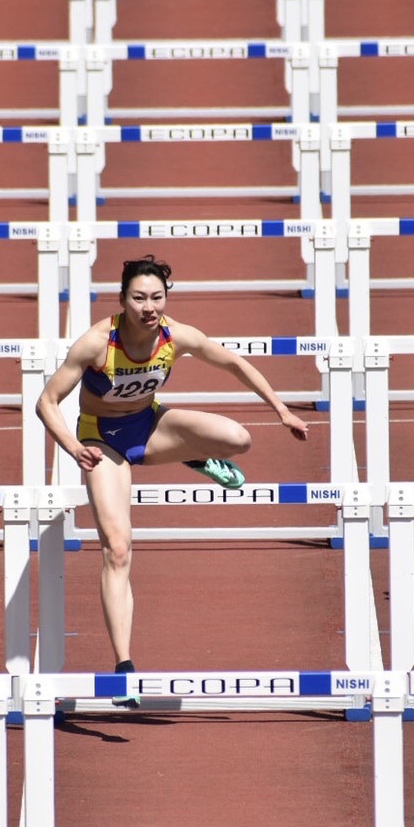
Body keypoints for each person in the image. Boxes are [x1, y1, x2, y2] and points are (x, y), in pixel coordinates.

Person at [36, 255, 309, 705]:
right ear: (123, 299)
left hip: (151, 425)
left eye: (157, 297)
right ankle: (124, 667)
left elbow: (235, 364)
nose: (149, 306)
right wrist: (71, 446)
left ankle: (194, 453)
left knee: (237, 439)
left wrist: (282, 411)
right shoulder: (96, 344)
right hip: (102, 440)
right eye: (139, 298)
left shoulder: (176, 336)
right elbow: (46, 402)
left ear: (167, 297)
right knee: (118, 547)